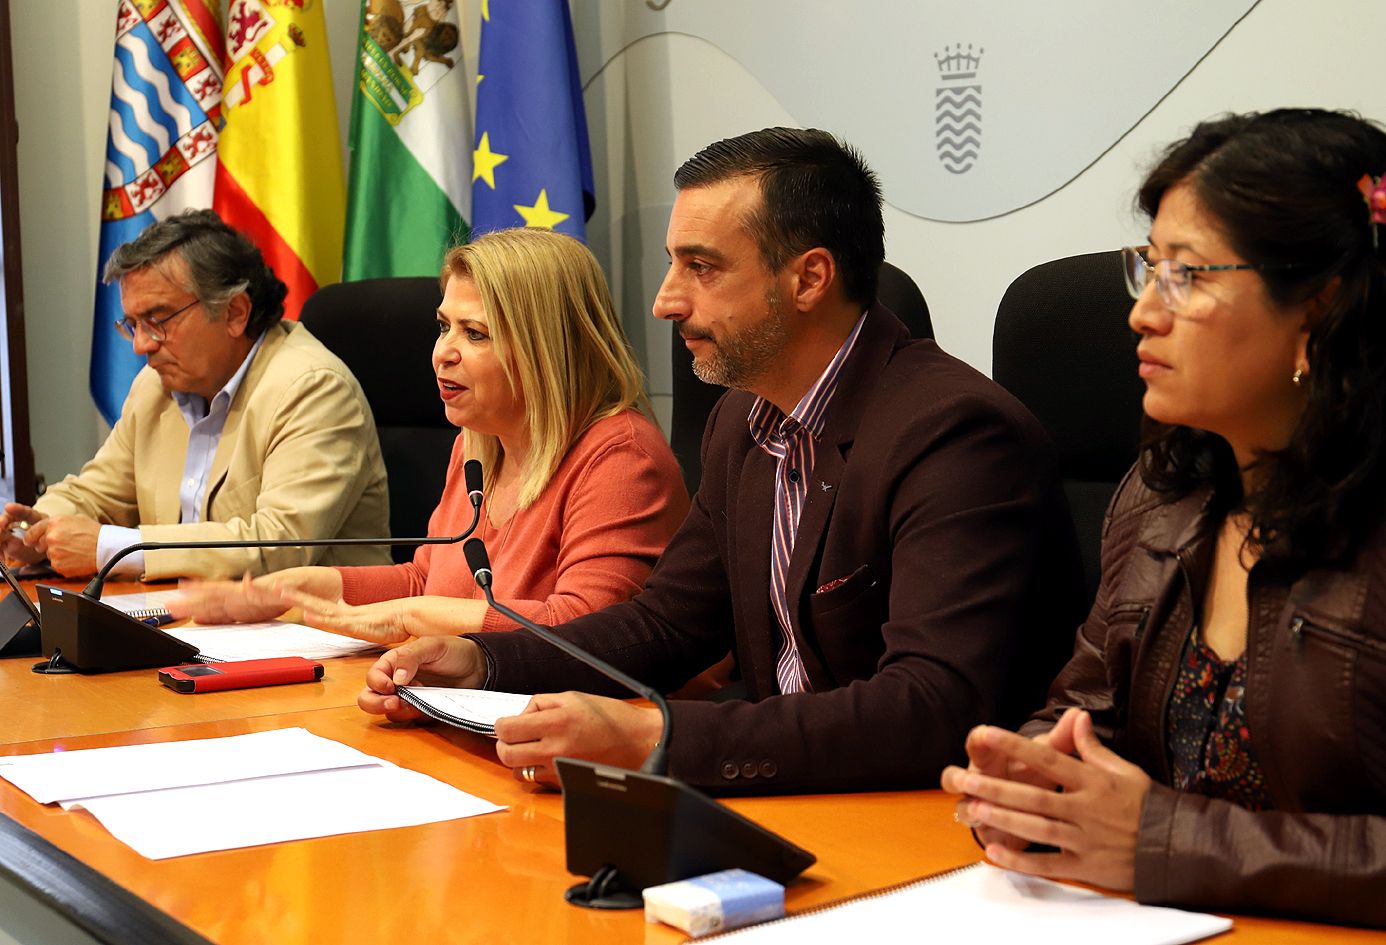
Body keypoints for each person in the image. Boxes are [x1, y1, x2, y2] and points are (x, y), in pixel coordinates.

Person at [360, 127, 1085, 795]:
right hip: (792, 796)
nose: (665, 301)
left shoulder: (954, 434)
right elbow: (667, 625)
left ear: (809, 278)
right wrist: (482, 662)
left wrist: (655, 733)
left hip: (925, 818)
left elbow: (930, 707)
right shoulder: (743, 420)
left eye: (700, 268)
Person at [941, 109, 1386, 928]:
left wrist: (1167, 842)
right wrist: (1033, 777)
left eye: (1185, 273)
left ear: (1318, 309)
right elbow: (1085, 708)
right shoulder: (1162, 492)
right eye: (1146, 269)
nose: (1143, 312)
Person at [170, 228, 689, 640]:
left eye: (475, 333)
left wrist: (406, 618)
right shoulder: (478, 443)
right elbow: (428, 579)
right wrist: (300, 588)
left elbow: (584, 630)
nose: (443, 353)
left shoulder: (621, 458)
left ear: (546, 348)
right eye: (444, 327)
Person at [0, 209, 390, 580]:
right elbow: (96, 494)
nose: (140, 345)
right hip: (192, 623)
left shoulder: (313, 387)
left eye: (157, 320)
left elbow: (280, 543)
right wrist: (33, 532)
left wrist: (110, 548)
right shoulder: (156, 387)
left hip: (317, 634)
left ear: (235, 312)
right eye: (133, 324)